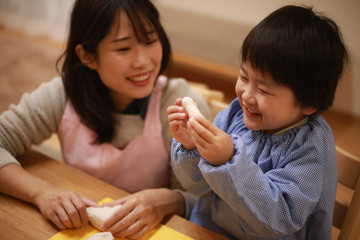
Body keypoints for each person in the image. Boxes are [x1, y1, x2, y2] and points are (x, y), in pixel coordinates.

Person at [0, 0, 211, 239]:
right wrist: (41, 192)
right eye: (123, 49)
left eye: (151, 41)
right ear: (87, 56)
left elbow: (207, 199)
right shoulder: (63, 94)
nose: (142, 61)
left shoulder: (178, 105)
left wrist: (169, 200)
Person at [167, 5, 347, 240]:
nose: (246, 95)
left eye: (263, 89)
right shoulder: (234, 116)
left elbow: (279, 221)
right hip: (206, 229)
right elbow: (198, 188)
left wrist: (228, 161)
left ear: (309, 103)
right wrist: (191, 148)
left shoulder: (309, 148)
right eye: (243, 77)